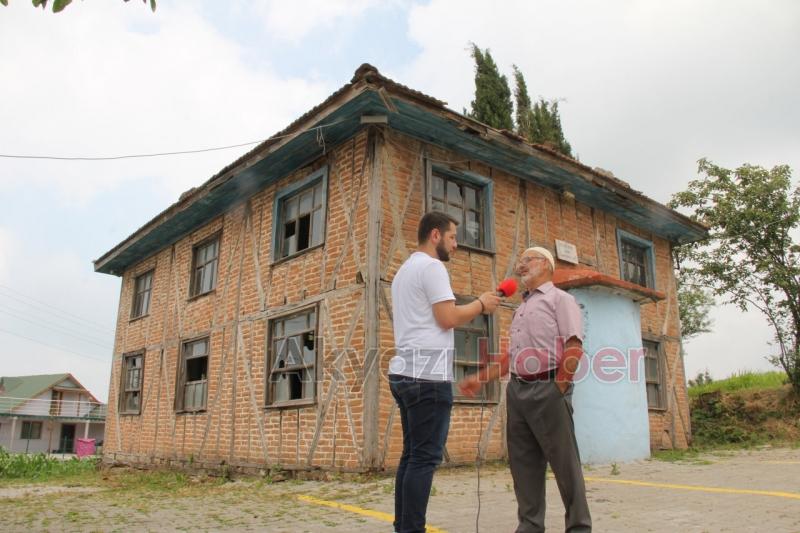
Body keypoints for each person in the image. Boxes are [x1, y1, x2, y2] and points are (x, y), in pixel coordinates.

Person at [459, 246, 591, 533]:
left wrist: (559, 387)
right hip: (517, 391)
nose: (520, 265)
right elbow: (510, 358)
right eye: (519, 261)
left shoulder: (561, 300)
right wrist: (481, 378)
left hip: (549, 388)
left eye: (527, 259)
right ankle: (530, 527)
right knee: (523, 467)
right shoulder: (521, 308)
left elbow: (574, 347)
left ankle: (579, 527)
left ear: (545, 264)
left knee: (565, 465)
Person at [389, 211, 501, 533]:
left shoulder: (404, 271)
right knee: (423, 460)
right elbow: (447, 317)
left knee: (412, 457)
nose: (456, 245)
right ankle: (412, 530)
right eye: (453, 237)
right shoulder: (432, 267)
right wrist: (480, 304)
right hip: (427, 378)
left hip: (405, 373)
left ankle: (404, 527)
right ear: (435, 235)